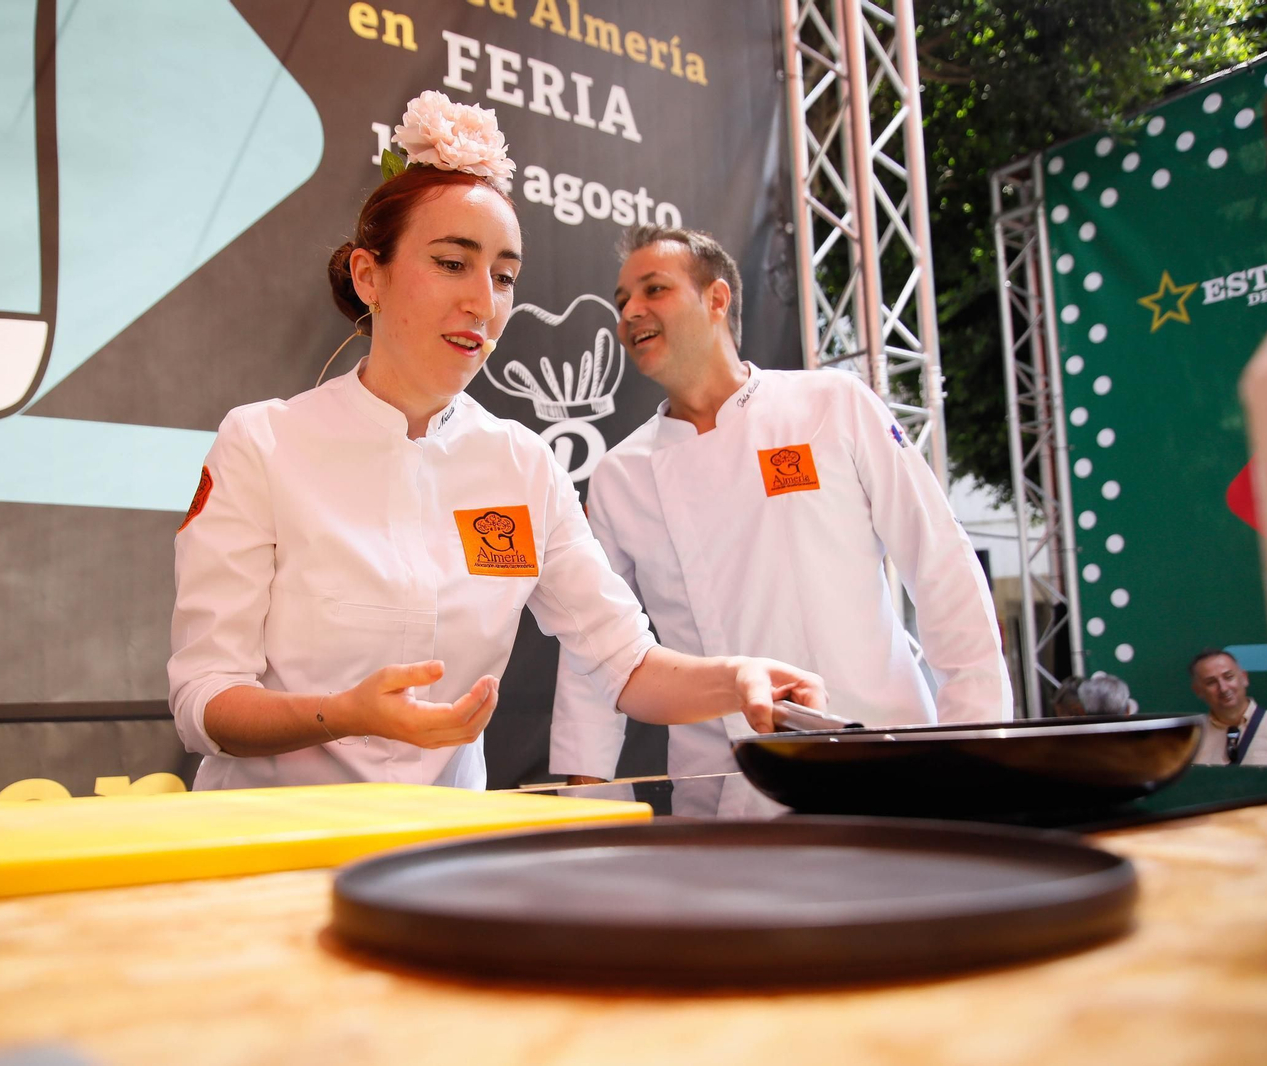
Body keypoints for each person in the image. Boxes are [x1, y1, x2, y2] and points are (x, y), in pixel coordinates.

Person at [167, 94, 825, 791]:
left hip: (440, 855)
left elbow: (626, 664)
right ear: (369, 277)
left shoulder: (521, 464)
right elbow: (204, 701)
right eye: (452, 263)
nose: (483, 302)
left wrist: (739, 678)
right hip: (273, 845)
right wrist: (343, 714)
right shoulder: (266, 442)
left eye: (504, 276)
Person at [550, 226, 1011, 784]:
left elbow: (941, 566)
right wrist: (584, 789)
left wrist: (977, 742)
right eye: (622, 302)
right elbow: (597, 648)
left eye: (654, 291)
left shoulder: (832, 405)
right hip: (724, 785)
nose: (630, 313)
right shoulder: (621, 476)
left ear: (716, 299)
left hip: (882, 756)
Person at [1189, 649, 1267, 767]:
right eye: (1211, 682)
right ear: (1198, 691)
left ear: (1244, 678)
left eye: (1228, 677)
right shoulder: (1189, 736)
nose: (1223, 688)